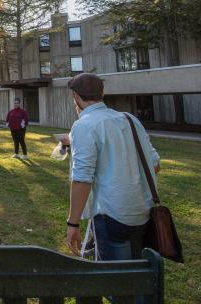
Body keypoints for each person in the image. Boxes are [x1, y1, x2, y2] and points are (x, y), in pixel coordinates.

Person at [64, 73, 161, 263]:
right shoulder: (130, 119)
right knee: (137, 277)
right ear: (103, 93)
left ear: (75, 96)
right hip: (143, 210)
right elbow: (155, 164)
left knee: (117, 284)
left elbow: (82, 179)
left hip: (111, 214)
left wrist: (72, 223)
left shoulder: (84, 125)